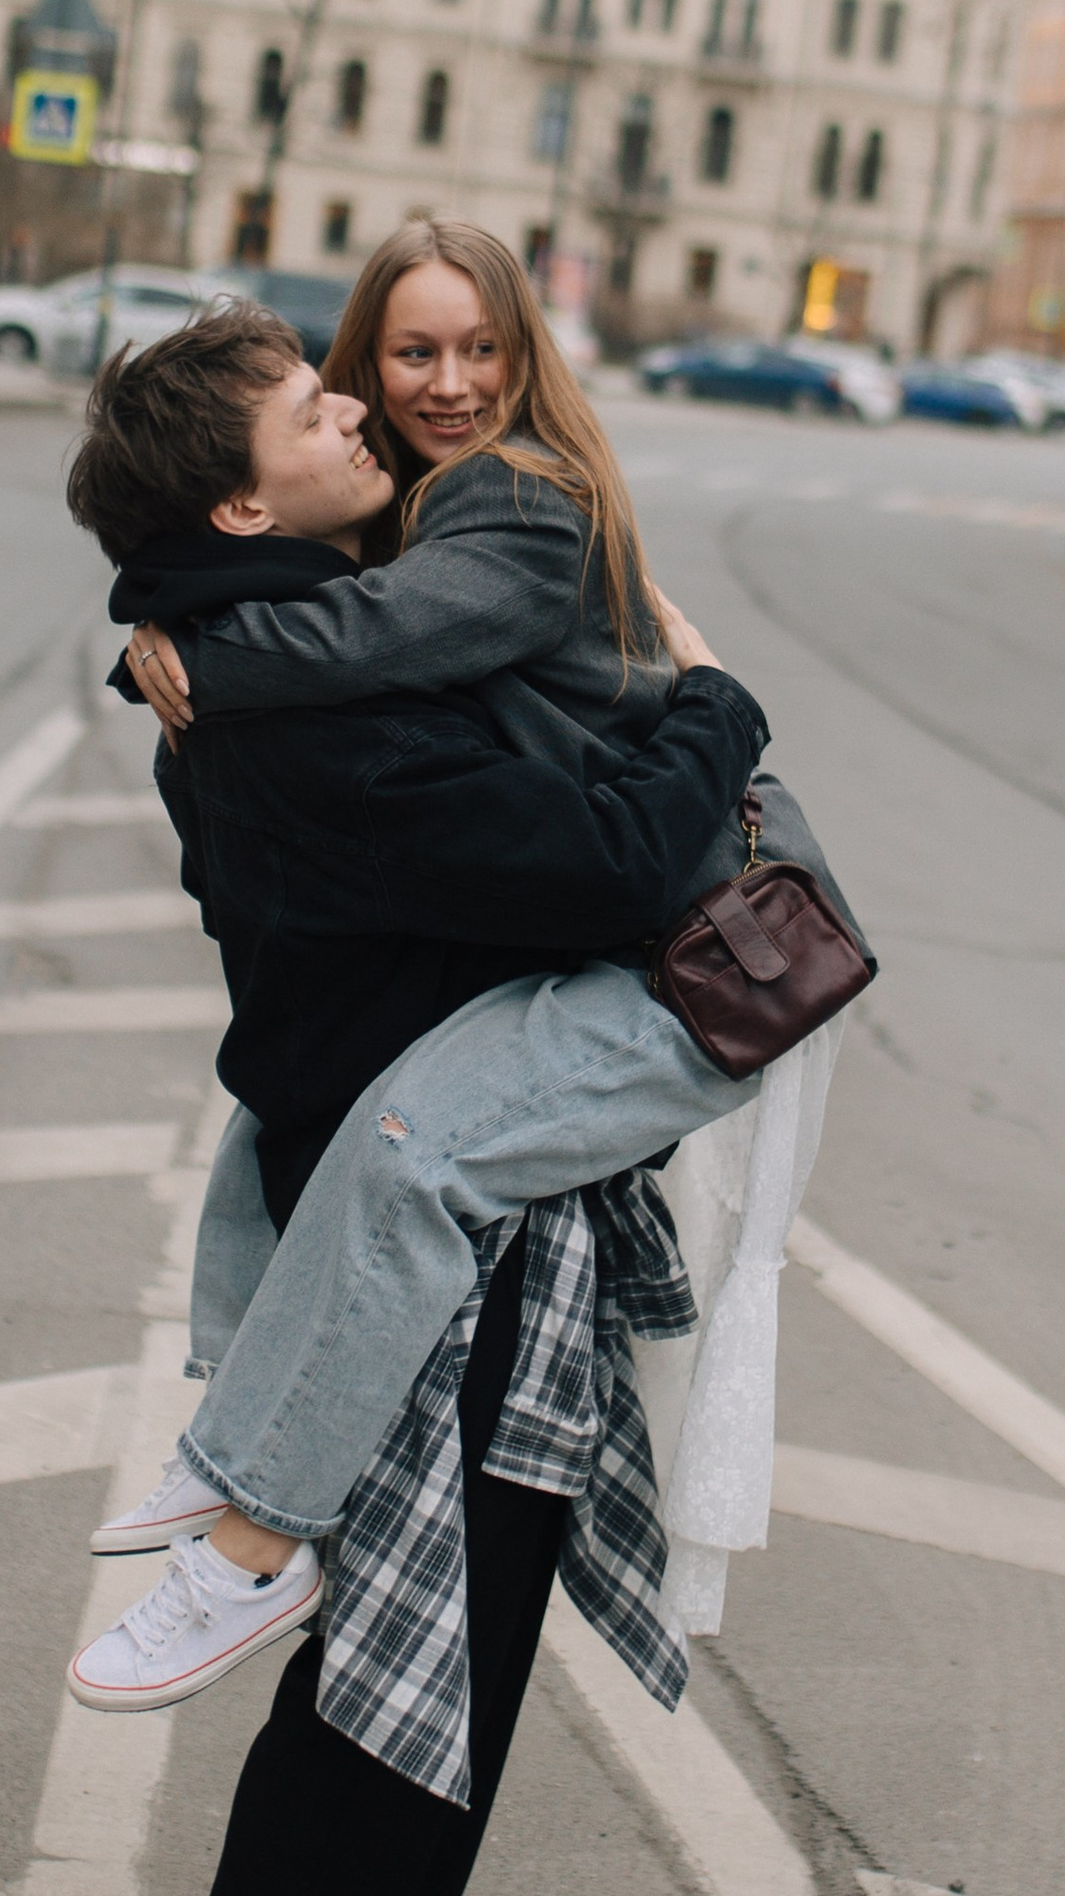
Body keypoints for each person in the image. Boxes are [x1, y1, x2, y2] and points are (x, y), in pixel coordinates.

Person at [60, 294, 778, 1896]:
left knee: (472, 1620)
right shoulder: (300, 716)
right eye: (314, 401)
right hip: (412, 1228)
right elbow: (619, 866)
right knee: (396, 1652)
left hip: (472, 1204)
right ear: (238, 512)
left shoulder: (278, 642)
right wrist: (717, 708)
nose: (364, 403)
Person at [72, 219, 858, 1705]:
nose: (439, 385)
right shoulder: (399, 504)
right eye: (405, 354)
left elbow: (377, 630)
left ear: (529, 356)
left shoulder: (512, 500)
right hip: (626, 908)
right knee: (280, 1106)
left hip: (711, 933)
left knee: (411, 1148)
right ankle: (233, 1443)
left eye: (482, 348)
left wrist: (186, 654)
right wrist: (169, 625)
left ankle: (251, 1538)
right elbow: (327, 605)